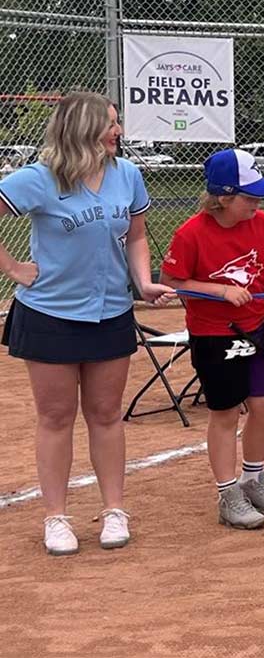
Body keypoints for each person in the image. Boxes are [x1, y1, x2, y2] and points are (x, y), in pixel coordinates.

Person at [0, 92, 173, 555]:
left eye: (117, 123)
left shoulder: (127, 174)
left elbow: (136, 235)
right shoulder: (39, 179)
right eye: (109, 123)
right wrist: (14, 268)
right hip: (49, 314)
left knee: (105, 414)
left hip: (110, 310)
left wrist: (143, 282)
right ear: (81, 128)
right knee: (56, 417)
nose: (117, 131)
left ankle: (114, 509)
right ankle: (56, 517)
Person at [161, 149, 264, 529]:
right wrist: (218, 291)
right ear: (223, 197)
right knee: (224, 412)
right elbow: (171, 282)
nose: (257, 203)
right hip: (214, 334)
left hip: (257, 326)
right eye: (249, 197)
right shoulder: (191, 233)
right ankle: (228, 493)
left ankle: (254, 479)